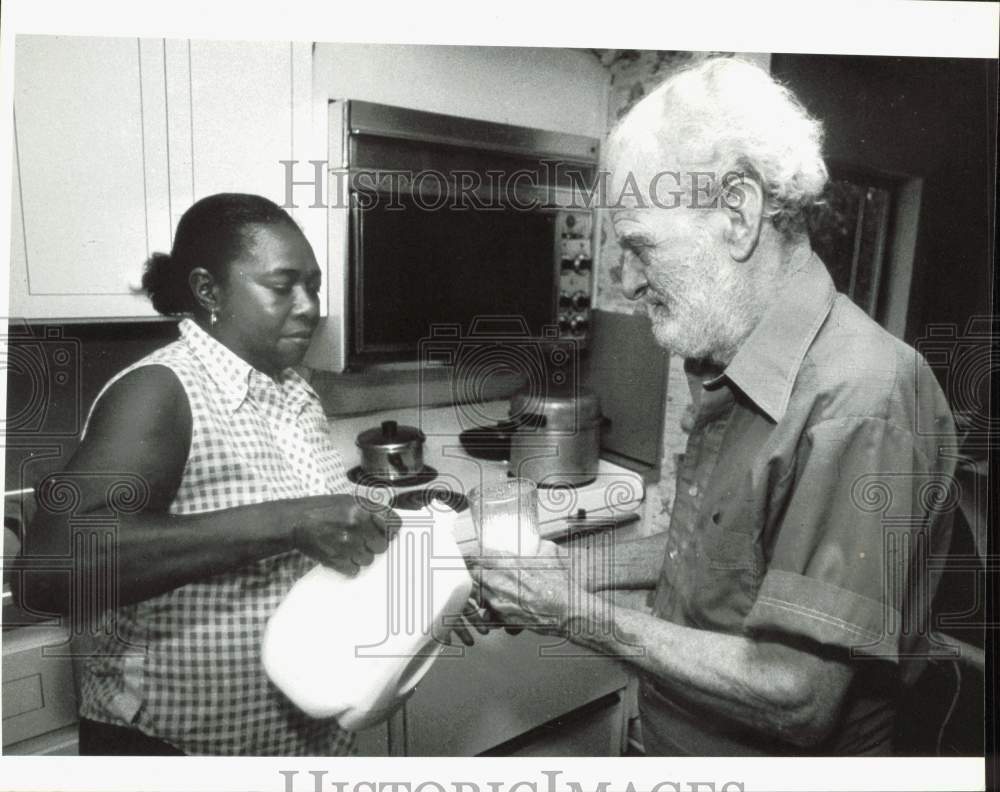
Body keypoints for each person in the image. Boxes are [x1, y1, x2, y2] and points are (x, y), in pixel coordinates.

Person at [473, 58, 957, 755]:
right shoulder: (737, 362)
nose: (628, 281)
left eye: (640, 246)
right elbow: (709, 559)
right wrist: (553, 575)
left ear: (738, 214)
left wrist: (571, 613)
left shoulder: (860, 398)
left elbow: (797, 694)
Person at [15, 194, 404, 756]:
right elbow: (48, 571)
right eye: (282, 286)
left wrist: (413, 606)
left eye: (314, 286)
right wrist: (287, 521)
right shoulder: (161, 391)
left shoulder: (295, 391)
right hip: (178, 747)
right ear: (208, 290)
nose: (309, 306)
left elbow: (307, 562)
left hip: (299, 738)